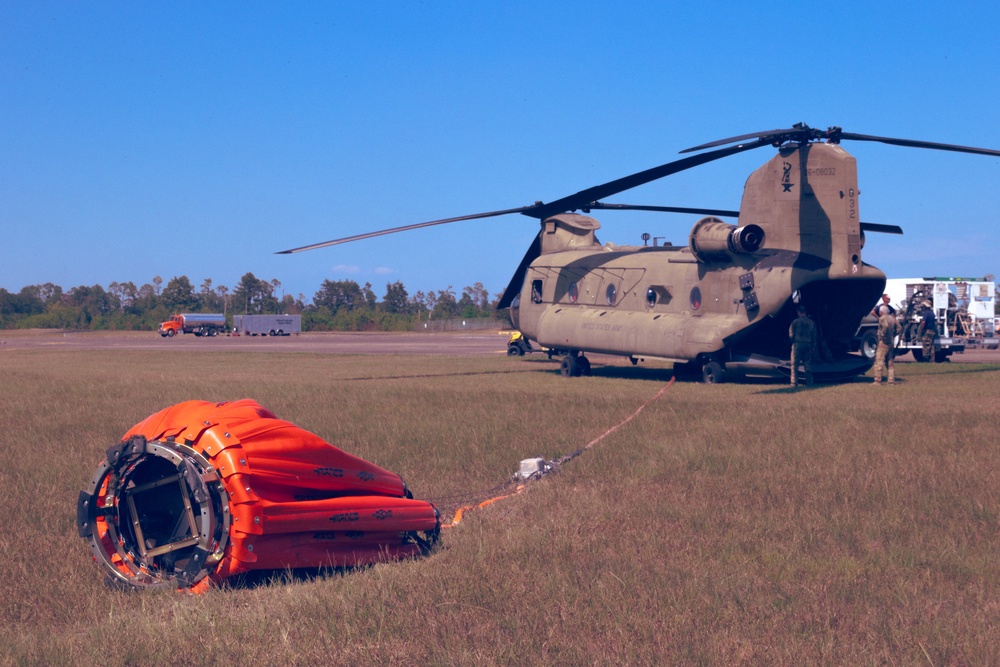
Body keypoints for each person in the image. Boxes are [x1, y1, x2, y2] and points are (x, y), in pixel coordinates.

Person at [788, 305, 818, 387]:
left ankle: (794, 383)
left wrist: (793, 342)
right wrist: (813, 347)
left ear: (798, 312)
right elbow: (814, 336)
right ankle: (809, 382)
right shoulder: (812, 323)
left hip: (797, 344)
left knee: (794, 365)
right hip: (807, 344)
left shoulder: (795, 322)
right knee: (807, 365)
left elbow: (791, 334)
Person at [872, 305, 900, 384]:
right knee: (890, 362)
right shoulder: (893, 318)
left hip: (884, 342)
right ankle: (891, 380)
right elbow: (899, 328)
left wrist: (883, 335)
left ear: (881, 312)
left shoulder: (882, 318)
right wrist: (894, 335)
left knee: (879, 361)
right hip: (891, 342)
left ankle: (877, 380)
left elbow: (885, 326)